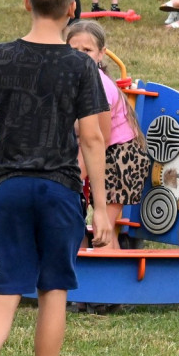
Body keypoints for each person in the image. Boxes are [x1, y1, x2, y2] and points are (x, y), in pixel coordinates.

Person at [0, 0, 112, 356]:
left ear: (26, 2)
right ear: (73, 8)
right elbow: (92, 137)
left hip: (11, 189)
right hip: (61, 191)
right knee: (53, 291)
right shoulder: (82, 65)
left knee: (4, 289)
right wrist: (100, 207)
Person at [66, 21, 150, 251]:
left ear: (101, 54)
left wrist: (74, 176)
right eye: (73, 50)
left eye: (87, 50)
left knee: (103, 227)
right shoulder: (73, 81)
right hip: (105, 152)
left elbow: (96, 139)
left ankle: (110, 280)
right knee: (88, 224)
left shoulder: (98, 85)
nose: (80, 56)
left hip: (122, 157)